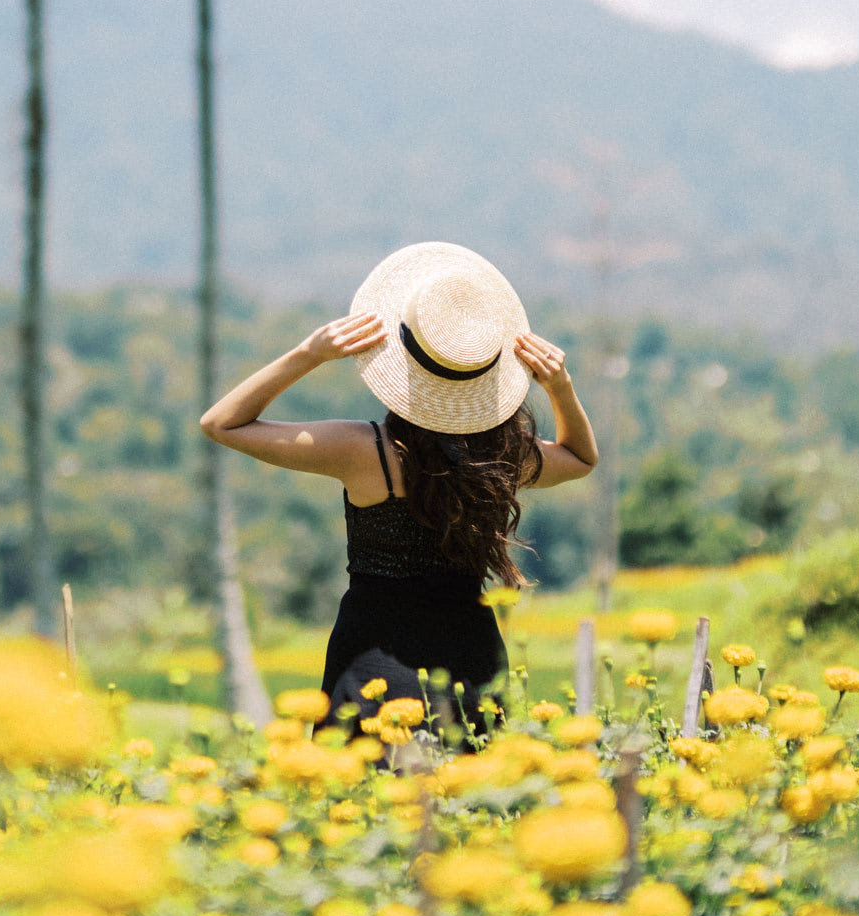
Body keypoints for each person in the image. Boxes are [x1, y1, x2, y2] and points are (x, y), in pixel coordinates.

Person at [200, 241, 597, 741]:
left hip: (371, 662)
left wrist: (309, 354)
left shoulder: (362, 450)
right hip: (470, 659)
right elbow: (582, 458)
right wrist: (560, 388)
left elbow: (222, 424)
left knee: (365, 801)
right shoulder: (499, 458)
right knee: (469, 802)